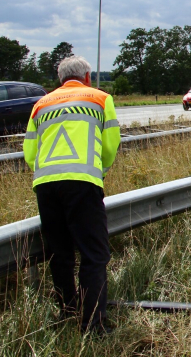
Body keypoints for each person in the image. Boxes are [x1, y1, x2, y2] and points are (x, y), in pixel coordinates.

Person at [23, 56, 120, 334]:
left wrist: (47, 174)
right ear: (87, 77)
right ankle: (93, 326)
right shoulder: (101, 99)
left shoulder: (41, 104)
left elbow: (30, 151)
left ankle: (68, 312)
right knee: (94, 255)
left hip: (46, 184)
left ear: (60, 79)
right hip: (82, 182)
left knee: (59, 253)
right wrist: (97, 171)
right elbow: (110, 144)